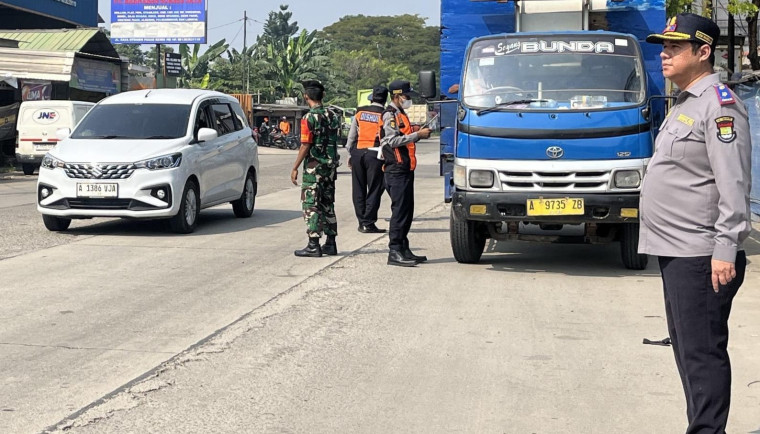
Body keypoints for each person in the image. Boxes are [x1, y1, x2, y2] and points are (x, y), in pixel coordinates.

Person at [639, 13, 752, 432]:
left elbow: (733, 182)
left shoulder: (720, 105)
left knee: (702, 354)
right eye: (663, 47)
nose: (664, 55)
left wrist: (725, 250)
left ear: (703, 52)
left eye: (674, 48)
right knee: (688, 352)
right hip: (677, 251)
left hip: (703, 255)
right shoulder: (687, 101)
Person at [379, 80, 432, 267]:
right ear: (396, 96)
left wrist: (417, 130)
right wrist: (417, 135)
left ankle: (403, 247)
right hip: (395, 170)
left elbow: (403, 134)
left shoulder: (401, 114)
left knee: (407, 211)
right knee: (399, 212)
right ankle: (394, 250)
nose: (409, 99)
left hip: (406, 169)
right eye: (406, 96)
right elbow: (391, 141)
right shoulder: (389, 115)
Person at [291, 80, 340, 257]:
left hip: (314, 168)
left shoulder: (308, 118)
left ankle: (313, 244)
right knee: (328, 204)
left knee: (311, 205)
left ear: (306, 96)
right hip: (330, 168)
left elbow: (305, 145)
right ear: (323, 96)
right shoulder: (333, 116)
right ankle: (331, 242)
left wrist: (295, 167)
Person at [347, 85, 388, 234]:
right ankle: (368, 222)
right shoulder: (385, 114)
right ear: (385, 99)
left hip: (358, 152)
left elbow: (352, 136)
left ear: (372, 98)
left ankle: (361, 222)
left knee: (358, 188)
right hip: (375, 153)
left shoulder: (360, 112)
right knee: (375, 188)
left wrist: (350, 154)